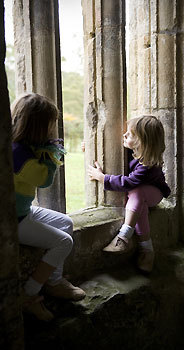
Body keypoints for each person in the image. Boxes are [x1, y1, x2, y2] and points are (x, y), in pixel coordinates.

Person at [12, 93, 86, 322]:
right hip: (14, 221)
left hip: (23, 210)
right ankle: (29, 294)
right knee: (64, 241)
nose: (53, 130)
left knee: (65, 223)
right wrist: (52, 157)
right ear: (39, 127)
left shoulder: (17, 147)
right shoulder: (20, 156)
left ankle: (54, 281)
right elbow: (44, 180)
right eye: (50, 125)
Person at [88, 115, 171, 273]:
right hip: (139, 198)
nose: (124, 135)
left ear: (142, 142)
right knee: (140, 209)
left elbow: (128, 183)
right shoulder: (131, 152)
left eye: (130, 134)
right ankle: (147, 252)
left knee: (137, 192)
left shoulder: (146, 164)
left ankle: (123, 236)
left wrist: (103, 178)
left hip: (155, 193)